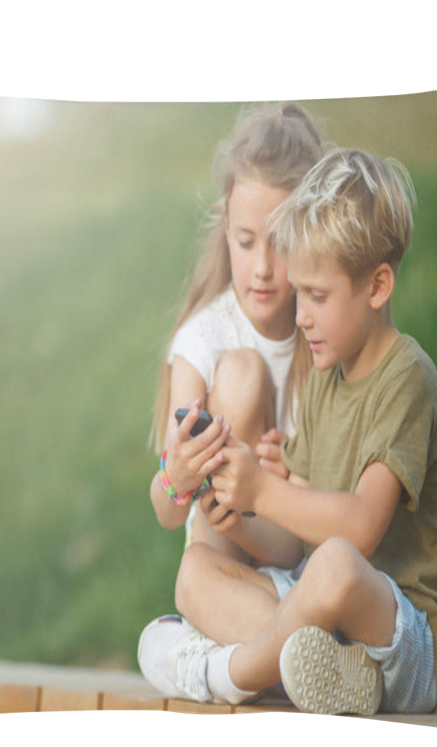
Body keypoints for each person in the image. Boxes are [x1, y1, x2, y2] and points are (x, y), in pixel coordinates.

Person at [139, 148, 437, 716]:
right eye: (301, 295)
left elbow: (360, 530)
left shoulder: (406, 378)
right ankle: (322, 673)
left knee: (336, 563)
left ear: (378, 285)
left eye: (316, 297)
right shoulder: (326, 375)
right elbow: (292, 544)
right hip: (325, 623)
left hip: (405, 635)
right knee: (195, 573)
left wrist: (266, 491)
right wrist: (239, 513)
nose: (301, 317)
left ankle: (226, 672)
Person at [148, 102, 322, 568]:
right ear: (225, 227)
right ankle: (278, 631)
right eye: (246, 243)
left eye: (281, 243)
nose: (263, 269)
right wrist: (178, 475)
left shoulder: (322, 338)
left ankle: (274, 633)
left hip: (292, 551)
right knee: (194, 578)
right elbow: (166, 510)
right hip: (222, 558)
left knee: (199, 587)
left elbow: (313, 525)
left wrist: (289, 478)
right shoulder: (204, 339)